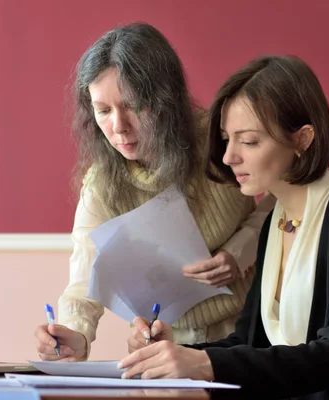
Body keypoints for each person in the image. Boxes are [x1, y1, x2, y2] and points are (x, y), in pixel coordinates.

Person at [121, 55, 329, 399]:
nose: (228, 157)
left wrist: (204, 365)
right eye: (227, 138)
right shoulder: (275, 222)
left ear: (303, 139)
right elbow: (249, 344)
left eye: (249, 141)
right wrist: (178, 352)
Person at [34, 22, 273, 362]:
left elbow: (285, 194)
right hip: (172, 342)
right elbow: (86, 273)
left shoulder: (219, 138)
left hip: (256, 325)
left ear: (167, 99)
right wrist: (77, 333)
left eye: (133, 106)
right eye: (103, 111)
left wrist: (241, 250)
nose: (118, 127)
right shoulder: (102, 180)